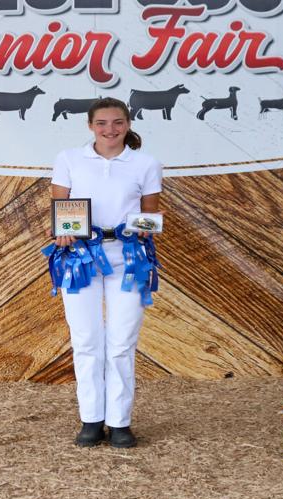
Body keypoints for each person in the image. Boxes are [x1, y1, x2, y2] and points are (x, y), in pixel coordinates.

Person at [50, 98, 163, 448]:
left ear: (128, 124)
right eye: (102, 123)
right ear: (90, 126)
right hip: (80, 255)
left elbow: (149, 214)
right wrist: (63, 231)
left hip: (127, 256)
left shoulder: (145, 163)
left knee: (121, 340)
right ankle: (91, 419)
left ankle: (119, 421)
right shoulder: (68, 159)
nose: (110, 130)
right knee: (85, 339)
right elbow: (59, 209)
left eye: (117, 123)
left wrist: (144, 229)